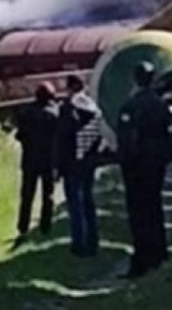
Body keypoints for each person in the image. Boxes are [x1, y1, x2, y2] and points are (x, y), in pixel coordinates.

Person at [116, 61, 172, 278]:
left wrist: (125, 162)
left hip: (137, 167)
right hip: (156, 165)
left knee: (139, 213)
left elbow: (126, 140)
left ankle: (142, 260)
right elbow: (170, 135)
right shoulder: (160, 105)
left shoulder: (131, 106)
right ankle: (160, 253)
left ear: (135, 79)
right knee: (155, 208)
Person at [56, 75, 103, 257]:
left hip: (72, 161)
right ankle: (93, 241)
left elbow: (62, 138)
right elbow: (99, 134)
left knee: (75, 204)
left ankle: (79, 245)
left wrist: (58, 166)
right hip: (89, 161)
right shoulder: (93, 107)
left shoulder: (68, 108)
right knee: (88, 201)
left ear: (70, 88)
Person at [14, 82, 59, 245]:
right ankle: (45, 226)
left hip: (30, 160)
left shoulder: (26, 113)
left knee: (27, 195)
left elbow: (18, 136)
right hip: (48, 160)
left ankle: (23, 227)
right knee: (48, 195)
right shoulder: (54, 114)